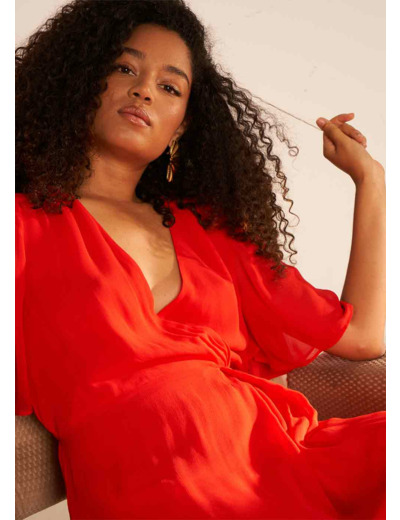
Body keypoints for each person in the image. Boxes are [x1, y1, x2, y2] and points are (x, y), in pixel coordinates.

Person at [15, 1, 386, 518]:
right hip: (153, 487)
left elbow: (362, 336)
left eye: (170, 87)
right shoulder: (22, 224)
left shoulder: (208, 229)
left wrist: (371, 182)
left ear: (181, 128)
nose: (144, 90)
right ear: (79, 82)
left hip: (277, 461)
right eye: (124, 68)